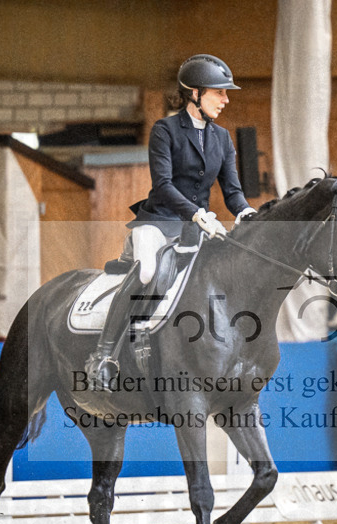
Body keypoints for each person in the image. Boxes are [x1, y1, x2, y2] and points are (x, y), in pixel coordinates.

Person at [86, 54, 256, 386]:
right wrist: (196, 214)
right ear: (195, 93)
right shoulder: (164, 131)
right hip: (159, 222)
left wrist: (245, 212)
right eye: (219, 92)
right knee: (149, 271)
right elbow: (162, 186)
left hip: (198, 228)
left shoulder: (222, 138)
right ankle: (104, 353)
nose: (226, 99)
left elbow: (232, 192)